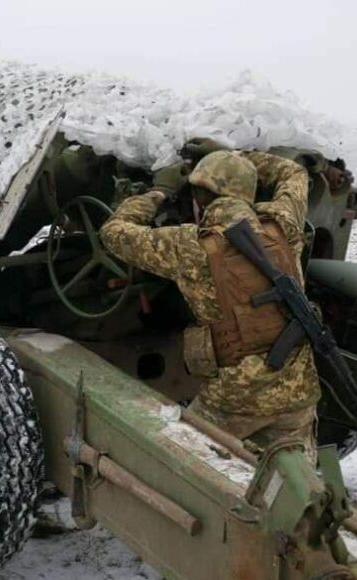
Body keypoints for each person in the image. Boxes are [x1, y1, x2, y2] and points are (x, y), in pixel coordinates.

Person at [99, 147, 321, 462]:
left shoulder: (189, 246)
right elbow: (295, 173)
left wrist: (158, 192)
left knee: (182, 465)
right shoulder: (285, 224)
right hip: (299, 395)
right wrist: (242, 158)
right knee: (292, 487)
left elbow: (113, 232)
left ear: (198, 201)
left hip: (233, 402)